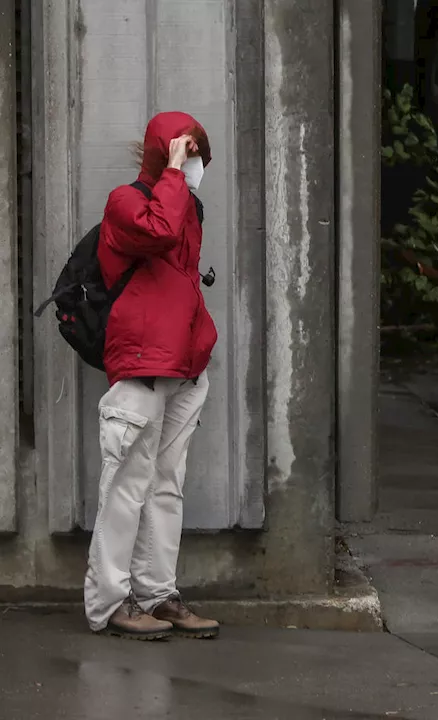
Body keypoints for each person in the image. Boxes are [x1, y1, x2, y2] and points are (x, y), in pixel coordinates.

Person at [83, 111, 220, 641]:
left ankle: (158, 595)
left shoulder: (186, 205)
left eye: (199, 154)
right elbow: (157, 233)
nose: (195, 163)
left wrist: (199, 351)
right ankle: (110, 604)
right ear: (163, 151)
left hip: (183, 369)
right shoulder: (126, 202)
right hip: (141, 369)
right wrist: (173, 170)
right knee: (125, 488)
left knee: (166, 487)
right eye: (189, 151)